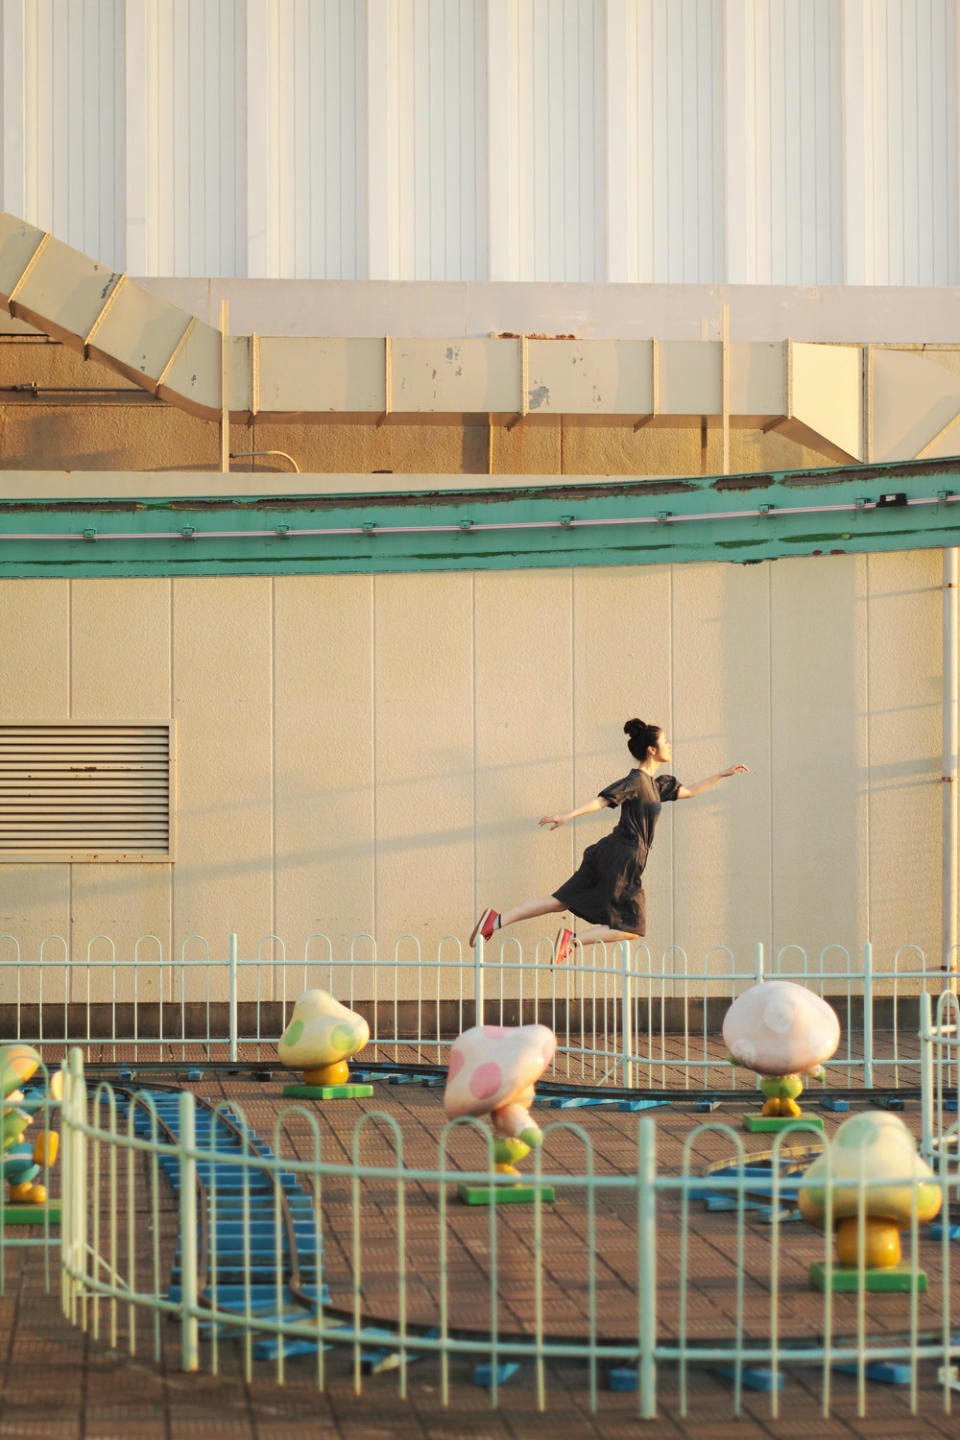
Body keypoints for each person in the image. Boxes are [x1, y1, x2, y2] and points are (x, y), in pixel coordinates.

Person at [470, 717, 748, 962]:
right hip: (623, 856)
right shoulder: (637, 781)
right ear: (652, 749)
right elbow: (603, 801)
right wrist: (567, 815)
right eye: (666, 741)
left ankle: (496, 921)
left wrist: (722, 774)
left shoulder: (655, 784)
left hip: (613, 853)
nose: (670, 745)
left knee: (560, 901)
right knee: (632, 926)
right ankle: (573, 941)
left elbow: (688, 791)